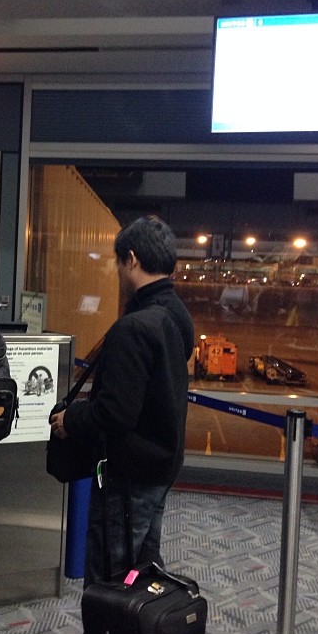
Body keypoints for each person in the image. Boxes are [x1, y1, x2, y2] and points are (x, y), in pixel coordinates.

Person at [49, 215, 194, 588]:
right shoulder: (178, 315)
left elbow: (115, 412)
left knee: (110, 580)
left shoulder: (135, 327)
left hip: (128, 476)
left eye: (117, 262)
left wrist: (71, 420)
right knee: (142, 571)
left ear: (131, 259)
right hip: (161, 464)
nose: (116, 272)